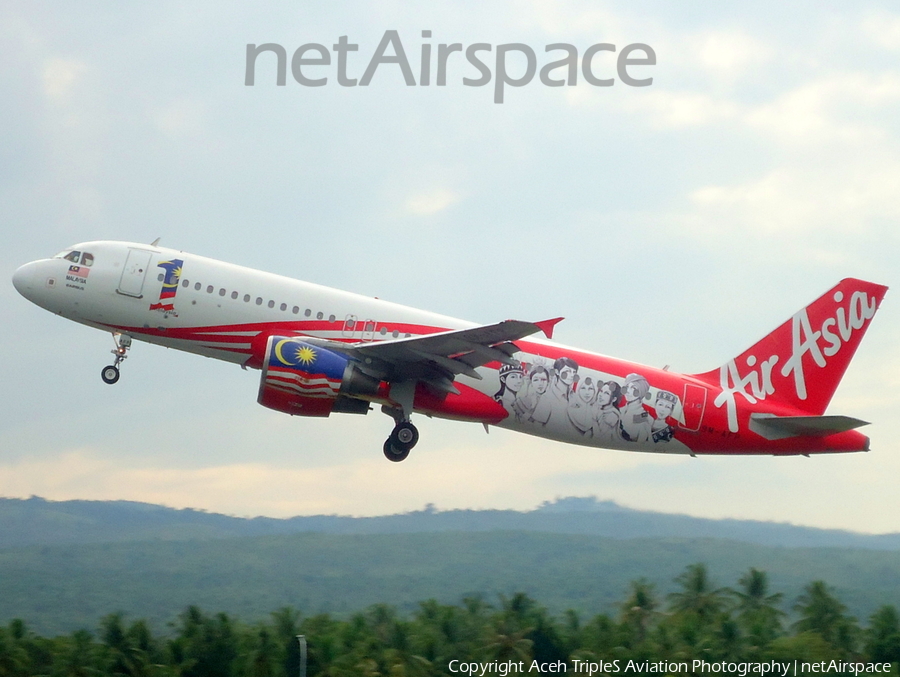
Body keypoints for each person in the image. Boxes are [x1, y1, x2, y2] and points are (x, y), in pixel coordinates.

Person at [530, 356, 579, 432]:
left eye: (574, 372)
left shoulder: (574, 397)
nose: (571, 375)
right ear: (557, 372)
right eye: (568, 371)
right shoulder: (548, 398)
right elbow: (537, 426)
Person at [619, 373, 652, 443]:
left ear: (641, 391)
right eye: (627, 387)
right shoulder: (621, 411)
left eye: (633, 388)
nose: (627, 391)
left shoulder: (642, 417)